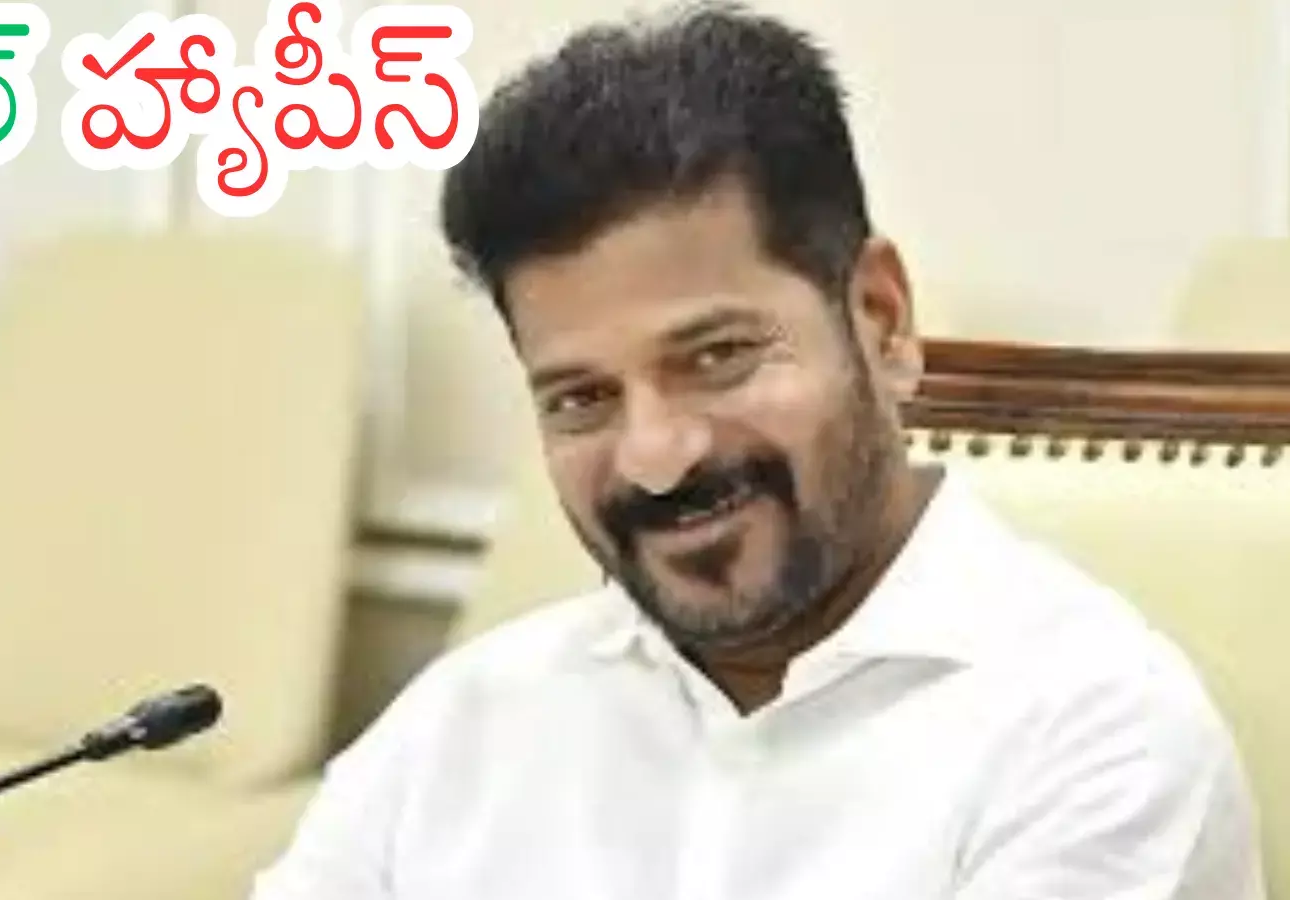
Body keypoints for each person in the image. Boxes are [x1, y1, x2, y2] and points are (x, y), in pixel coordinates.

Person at [251, 3, 1265, 897]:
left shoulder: (1097, 740)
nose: (656, 457)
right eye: (582, 398)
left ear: (880, 319)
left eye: (719, 356)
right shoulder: (458, 727)